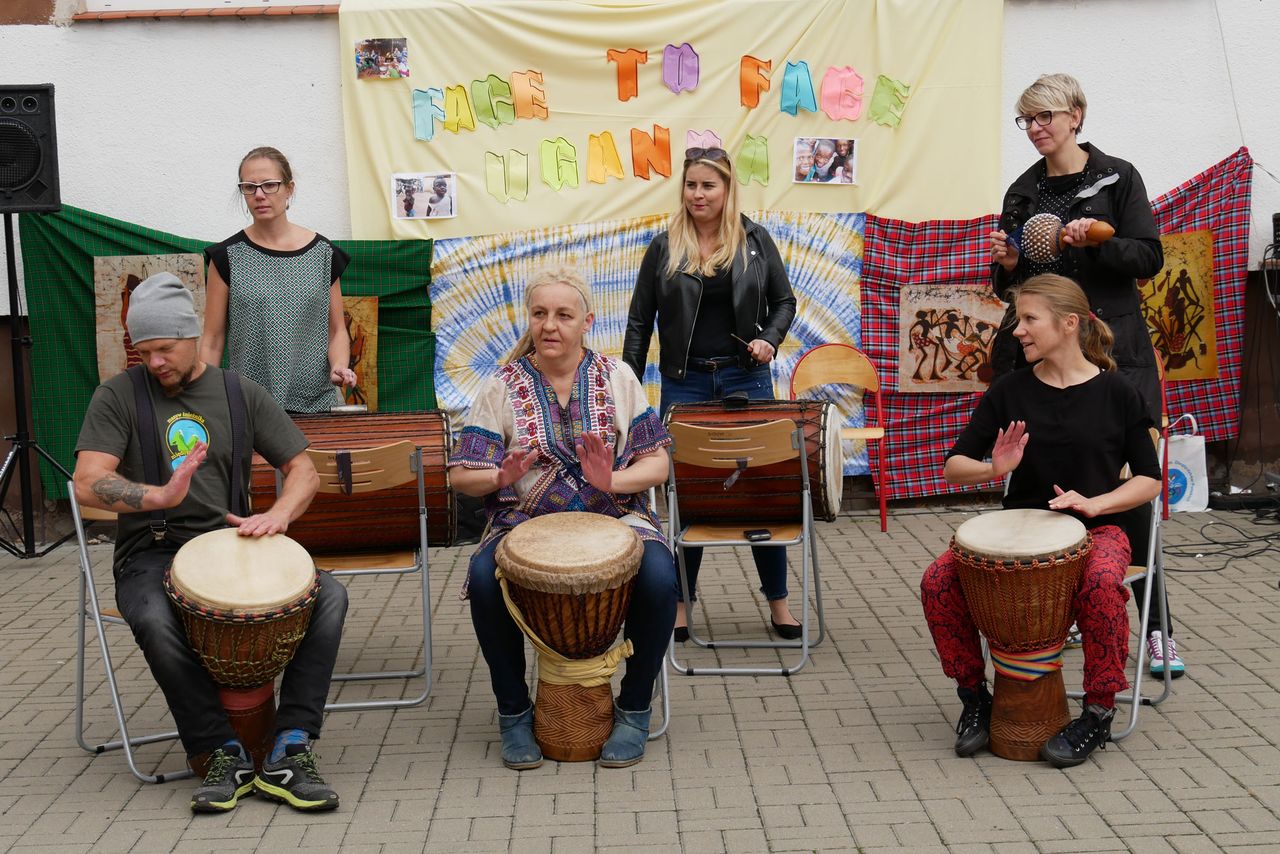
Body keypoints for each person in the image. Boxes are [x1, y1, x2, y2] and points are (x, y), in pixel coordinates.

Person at [72, 273, 347, 813]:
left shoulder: (239, 393)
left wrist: (279, 514)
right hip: (152, 551)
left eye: (165, 348)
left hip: (235, 544)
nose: (154, 362)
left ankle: (292, 745)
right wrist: (158, 495)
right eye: (144, 351)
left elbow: (303, 470)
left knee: (330, 596)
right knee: (153, 617)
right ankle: (218, 749)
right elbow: (87, 480)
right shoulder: (117, 396)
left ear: (193, 335)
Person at [920, 274, 1161, 767]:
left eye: (1030, 319)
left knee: (1098, 584)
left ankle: (1097, 711)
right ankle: (975, 700)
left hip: (1104, 530)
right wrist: (994, 468)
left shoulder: (1118, 393)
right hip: (1024, 532)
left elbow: (1151, 479)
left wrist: (1097, 503)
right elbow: (953, 465)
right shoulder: (1011, 390)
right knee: (939, 580)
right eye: (1019, 320)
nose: (1018, 331)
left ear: (1069, 324)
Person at [988, 73, 1180, 677]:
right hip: (1045, 359)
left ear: (1075, 115)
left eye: (1046, 116)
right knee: (1045, 476)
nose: (1037, 129)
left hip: (1112, 354)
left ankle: (1155, 630)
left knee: (1129, 482)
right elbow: (1014, 291)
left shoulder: (1118, 177)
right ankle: (1060, 613)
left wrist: (1097, 241)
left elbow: (1147, 258)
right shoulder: (1021, 192)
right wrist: (1009, 264)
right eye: (1027, 120)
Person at [449, 265, 676, 770]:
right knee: (485, 582)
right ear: (529, 320)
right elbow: (461, 476)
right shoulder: (502, 385)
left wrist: (611, 482)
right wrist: (498, 479)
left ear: (586, 321)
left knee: (661, 578)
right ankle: (513, 714)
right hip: (522, 526)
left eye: (563, 315)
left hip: (618, 520)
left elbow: (657, 462)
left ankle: (635, 708)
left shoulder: (617, 377)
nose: (550, 325)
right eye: (540, 314)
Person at [622, 146, 800, 642]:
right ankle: (680, 606)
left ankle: (780, 606)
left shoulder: (756, 241)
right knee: (689, 493)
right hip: (686, 382)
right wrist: (629, 390)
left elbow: (784, 301)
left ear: (727, 189)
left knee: (762, 491)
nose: (698, 194)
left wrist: (770, 338)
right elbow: (640, 323)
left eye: (708, 185)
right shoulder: (663, 247)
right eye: (691, 185)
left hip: (747, 380)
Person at [201, 146, 356, 414]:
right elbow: (212, 339)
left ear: (289, 188)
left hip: (316, 405)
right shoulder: (226, 257)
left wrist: (339, 365)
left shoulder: (323, 254)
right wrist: (202, 400)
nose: (259, 194)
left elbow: (336, 331)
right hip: (250, 408)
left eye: (269, 185)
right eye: (249, 187)